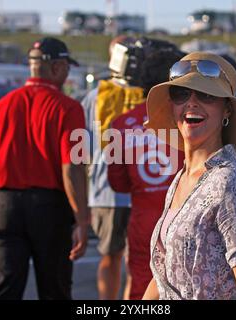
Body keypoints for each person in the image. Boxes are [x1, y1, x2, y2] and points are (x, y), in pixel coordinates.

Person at [0, 37, 89, 300]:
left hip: (5, 205)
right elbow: (73, 168)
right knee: (54, 288)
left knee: (3, 288)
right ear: (57, 67)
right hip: (50, 208)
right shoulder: (69, 108)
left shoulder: (1, 106)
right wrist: (82, 219)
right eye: (67, 67)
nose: (68, 73)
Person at [143, 51, 236, 300]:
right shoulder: (181, 179)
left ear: (227, 111)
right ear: (172, 106)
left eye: (206, 95)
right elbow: (163, 276)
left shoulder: (232, 184)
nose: (191, 102)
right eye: (181, 94)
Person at [108, 49, 185, 299]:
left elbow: (117, 183)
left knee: (142, 290)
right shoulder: (189, 120)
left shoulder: (120, 124)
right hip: (184, 221)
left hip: (143, 221)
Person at [81, 35, 142, 300]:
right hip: (143, 189)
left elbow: (80, 148)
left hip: (104, 192)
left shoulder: (95, 96)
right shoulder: (149, 93)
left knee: (110, 256)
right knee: (138, 261)